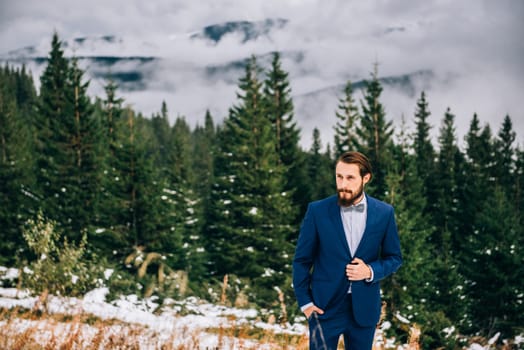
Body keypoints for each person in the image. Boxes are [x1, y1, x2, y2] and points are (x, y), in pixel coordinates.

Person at [292, 151, 402, 350]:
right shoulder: (317, 211)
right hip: (323, 308)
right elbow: (301, 260)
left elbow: (394, 257)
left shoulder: (384, 213)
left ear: (365, 178)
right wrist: (306, 303)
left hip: (364, 310)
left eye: (350, 177)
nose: (343, 184)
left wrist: (370, 271)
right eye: (339, 176)